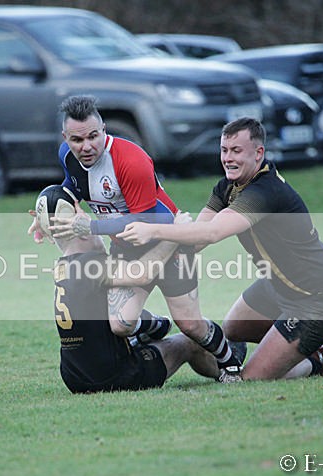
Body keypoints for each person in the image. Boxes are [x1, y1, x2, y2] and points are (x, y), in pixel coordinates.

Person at [116, 117, 323, 381]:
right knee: (232, 329)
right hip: (277, 284)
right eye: (224, 150)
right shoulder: (227, 187)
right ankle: (317, 335)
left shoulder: (265, 191)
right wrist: (150, 260)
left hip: (317, 298)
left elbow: (213, 232)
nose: (228, 158)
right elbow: (196, 239)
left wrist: (154, 230)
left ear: (258, 153)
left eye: (236, 151)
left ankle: (317, 357)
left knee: (252, 378)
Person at [44, 94, 244, 383]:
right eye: (77, 140)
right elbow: (71, 189)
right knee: (121, 324)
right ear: (66, 137)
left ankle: (230, 363)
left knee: (189, 323)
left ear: (104, 130)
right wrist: (46, 218)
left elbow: (151, 222)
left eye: (93, 136)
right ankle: (157, 328)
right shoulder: (67, 156)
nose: (86, 146)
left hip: (169, 239)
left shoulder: (130, 160)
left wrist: (92, 227)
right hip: (127, 245)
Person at [36, 187, 220, 393]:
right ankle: (227, 369)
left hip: (73, 376)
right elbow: (142, 273)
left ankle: (154, 331)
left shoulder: (62, 267)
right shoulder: (90, 264)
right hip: (115, 375)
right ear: (83, 234)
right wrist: (174, 234)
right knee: (189, 343)